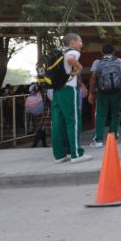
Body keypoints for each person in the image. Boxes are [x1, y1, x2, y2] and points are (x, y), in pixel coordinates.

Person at [50, 33, 92, 164]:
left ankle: (60, 155)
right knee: (73, 122)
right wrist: (79, 67)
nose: (81, 44)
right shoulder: (72, 51)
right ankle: (76, 154)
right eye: (80, 41)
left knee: (57, 124)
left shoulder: (58, 52)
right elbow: (70, 59)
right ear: (72, 42)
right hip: (68, 90)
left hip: (56, 91)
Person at [87, 44, 121, 148]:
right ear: (114, 52)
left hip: (102, 92)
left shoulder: (97, 62)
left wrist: (91, 92)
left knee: (101, 115)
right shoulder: (119, 61)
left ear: (102, 52)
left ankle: (98, 140)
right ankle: (113, 137)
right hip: (116, 91)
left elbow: (93, 77)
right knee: (116, 114)